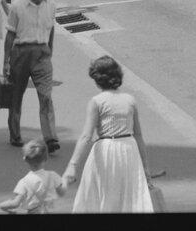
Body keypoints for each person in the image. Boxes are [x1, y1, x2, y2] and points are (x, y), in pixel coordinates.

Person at [62, 55, 155, 213]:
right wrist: (145, 167)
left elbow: (86, 136)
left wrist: (72, 165)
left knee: (103, 195)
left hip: (106, 150)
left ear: (97, 79)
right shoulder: (130, 100)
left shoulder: (97, 101)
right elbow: (138, 135)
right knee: (129, 195)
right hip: (129, 150)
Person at [3, 0, 59, 152]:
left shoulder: (51, 5)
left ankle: (50, 137)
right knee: (16, 97)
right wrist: (6, 61)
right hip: (21, 54)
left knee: (46, 96)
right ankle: (15, 134)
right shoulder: (18, 7)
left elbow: (51, 29)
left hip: (42, 55)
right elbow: (10, 36)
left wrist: (49, 50)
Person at [0, 138, 66, 215]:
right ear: (46, 158)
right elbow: (62, 192)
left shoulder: (24, 182)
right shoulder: (53, 176)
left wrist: (2, 206)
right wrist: (66, 180)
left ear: (25, 159)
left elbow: (15, 203)